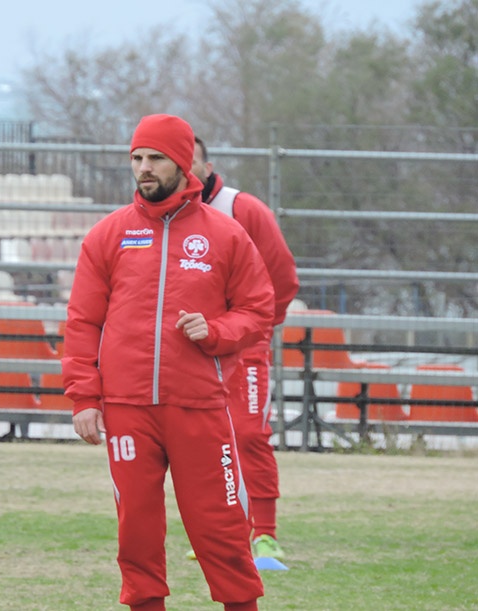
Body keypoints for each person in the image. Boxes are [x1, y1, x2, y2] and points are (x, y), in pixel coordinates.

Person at [63, 114, 275, 611]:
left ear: (182, 163)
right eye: (137, 158)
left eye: (156, 158)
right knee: (135, 529)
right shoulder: (108, 235)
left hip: (199, 405)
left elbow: (258, 310)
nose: (144, 168)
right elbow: (82, 321)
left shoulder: (225, 235)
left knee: (220, 528)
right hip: (127, 407)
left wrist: (216, 331)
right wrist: (84, 397)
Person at [191, 136, 300, 561]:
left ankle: (264, 534)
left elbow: (282, 277)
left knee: (250, 433)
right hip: (194, 349)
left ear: (206, 167)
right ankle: (222, 531)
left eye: (190, 161)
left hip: (244, 345)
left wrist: (254, 330)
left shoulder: (242, 208)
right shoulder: (167, 218)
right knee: (203, 438)